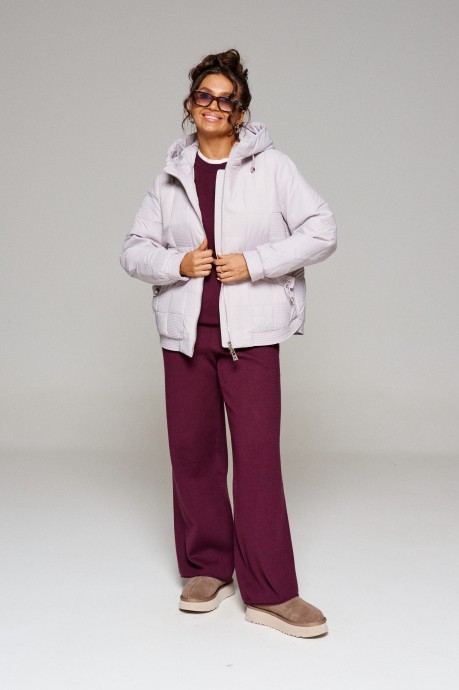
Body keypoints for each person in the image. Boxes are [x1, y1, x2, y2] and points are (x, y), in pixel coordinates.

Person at [120, 49, 337, 638]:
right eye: (204, 96)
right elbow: (133, 250)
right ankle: (208, 568)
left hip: (252, 338)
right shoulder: (170, 176)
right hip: (185, 338)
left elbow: (322, 230)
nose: (213, 106)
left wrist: (255, 263)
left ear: (241, 112)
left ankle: (271, 591)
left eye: (226, 99)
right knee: (193, 453)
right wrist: (178, 263)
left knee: (258, 460)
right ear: (191, 104)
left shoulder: (273, 168)